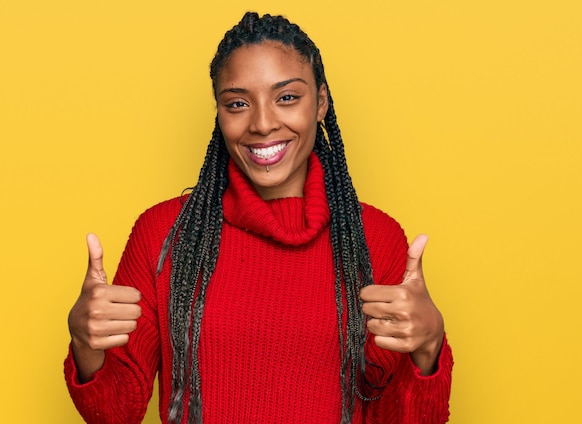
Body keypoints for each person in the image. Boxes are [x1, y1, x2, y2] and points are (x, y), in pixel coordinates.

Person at [65, 11, 453, 424]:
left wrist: (428, 349)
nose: (263, 123)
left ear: (320, 102)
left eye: (287, 97)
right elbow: (114, 414)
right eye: (237, 103)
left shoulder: (373, 239)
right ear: (219, 113)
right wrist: (87, 348)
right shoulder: (164, 235)